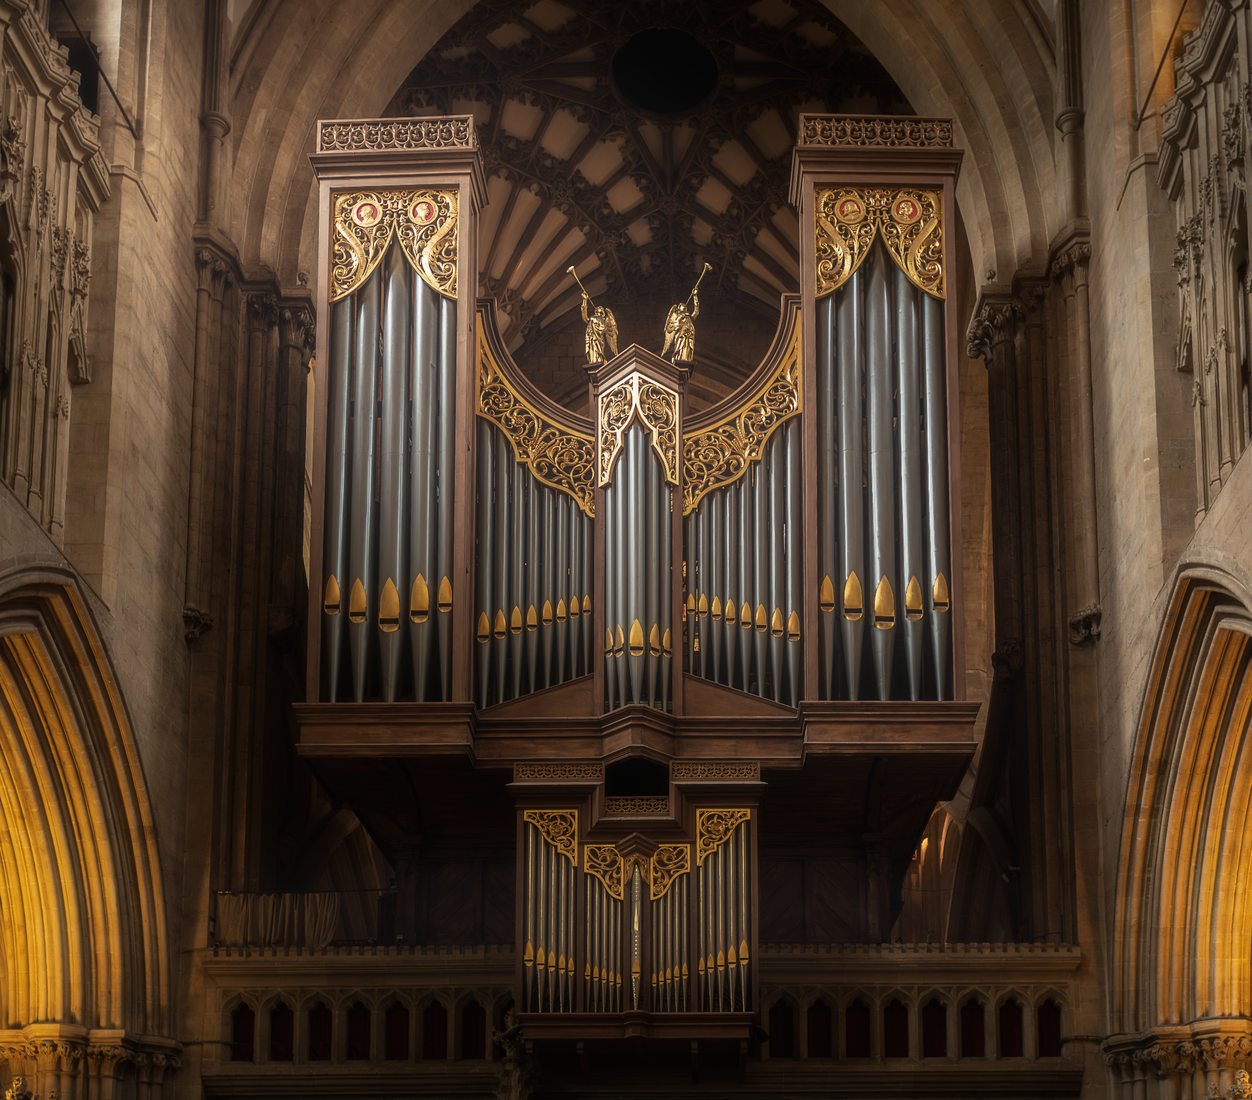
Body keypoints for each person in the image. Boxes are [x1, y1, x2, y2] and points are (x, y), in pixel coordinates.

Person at [582, 293, 618, 365]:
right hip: (592, 337)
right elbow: (585, 318)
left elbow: (605, 328)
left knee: (599, 351)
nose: (599, 308)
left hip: (599, 338)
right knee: (593, 351)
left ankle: (599, 361)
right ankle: (594, 361)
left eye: (601, 308)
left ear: (603, 312)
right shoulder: (592, 317)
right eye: (598, 308)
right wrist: (584, 300)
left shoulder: (603, 319)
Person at [661, 294, 698, 363]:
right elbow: (673, 327)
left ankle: (686, 360)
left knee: (688, 351)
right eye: (683, 306)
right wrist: (682, 316)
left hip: (690, 336)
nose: (685, 308)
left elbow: (696, 312)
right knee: (680, 350)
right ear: (679, 308)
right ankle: (679, 360)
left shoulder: (689, 317)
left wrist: (695, 296)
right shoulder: (677, 317)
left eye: (685, 307)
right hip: (681, 336)